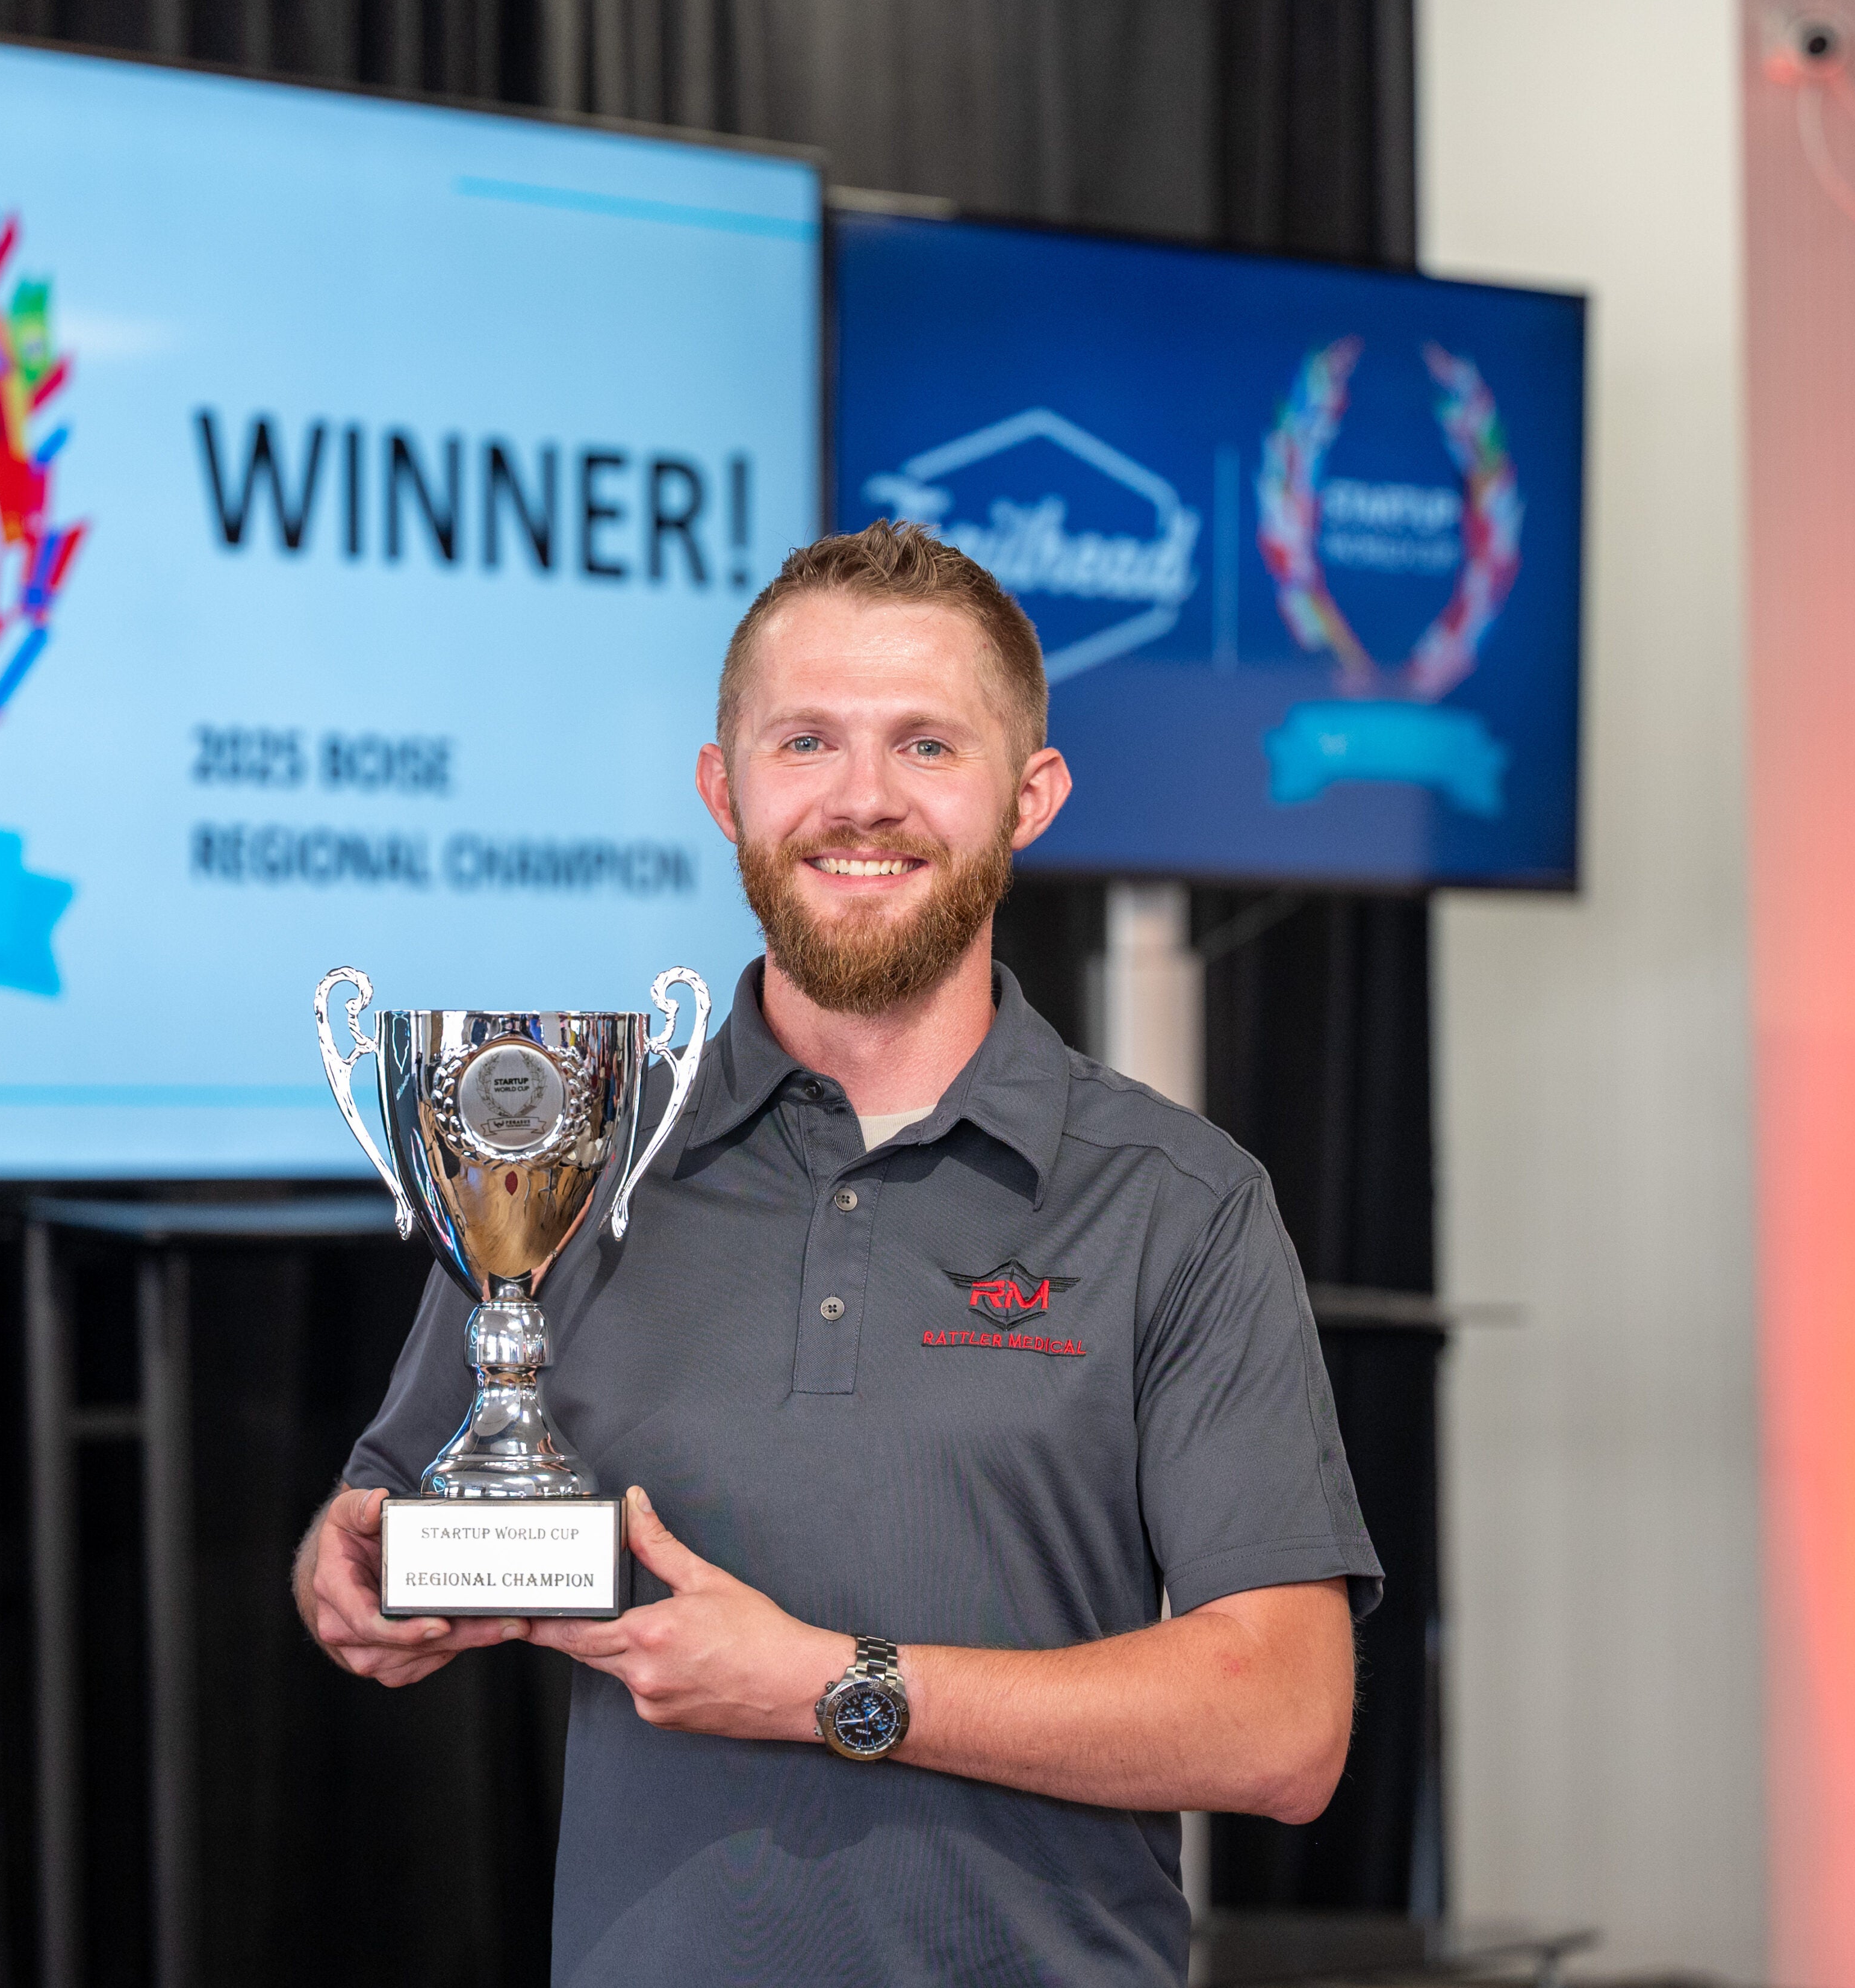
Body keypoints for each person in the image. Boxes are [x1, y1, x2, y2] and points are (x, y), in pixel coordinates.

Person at [291, 520, 1381, 1986]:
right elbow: (386, 1520)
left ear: (1030, 796)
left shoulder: (1179, 1203)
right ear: (722, 787)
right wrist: (348, 1575)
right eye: (805, 741)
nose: (861, 798)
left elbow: (1284, 1727)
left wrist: (831, 1686)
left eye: (926, 744)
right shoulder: (574, 1156)